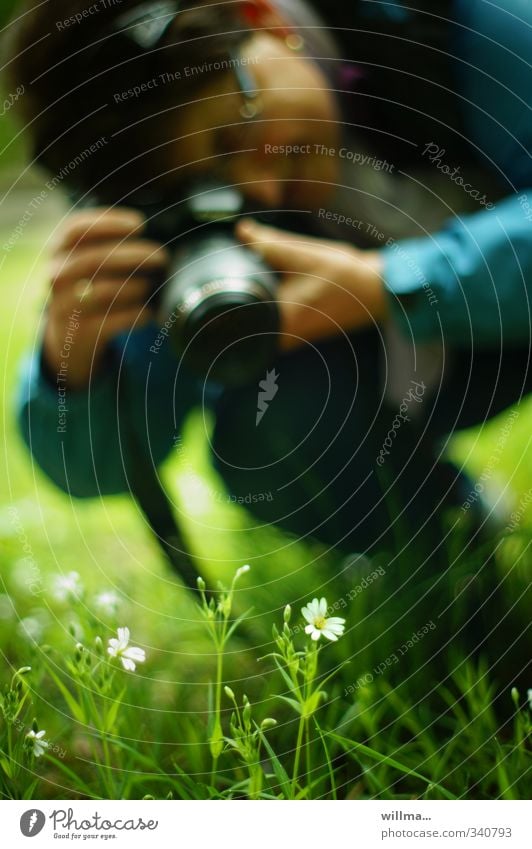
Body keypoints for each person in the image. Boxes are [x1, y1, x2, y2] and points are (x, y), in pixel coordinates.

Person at [6, 0, 532, 564]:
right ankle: (450, 537)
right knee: (273, 438)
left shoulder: (465, 26)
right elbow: (96, 475)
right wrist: (72, 367)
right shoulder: (157, 220)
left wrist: (389, 284)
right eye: (207, 191)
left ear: (261, 18)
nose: (261, 190)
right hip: (414, 378)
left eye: (234, 136)